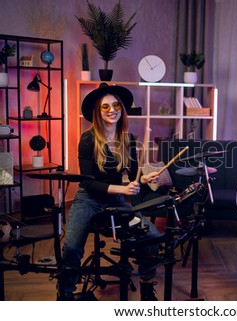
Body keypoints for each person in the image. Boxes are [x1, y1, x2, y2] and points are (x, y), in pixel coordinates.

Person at [60, 83, 163, 301]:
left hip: (115, 201)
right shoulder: (87, 139)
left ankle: (146, 287)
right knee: (71, 247)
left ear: (122, 109)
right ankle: (66, 294)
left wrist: (144, 178)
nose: (112, 110)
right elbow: (87, 183)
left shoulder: (128, 139)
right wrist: (123, 188)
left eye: (116, 105)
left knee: (152, 235)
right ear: (97, 112)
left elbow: (134, 175)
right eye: (105, 107)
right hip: (88, 200)